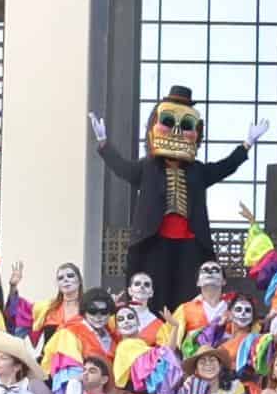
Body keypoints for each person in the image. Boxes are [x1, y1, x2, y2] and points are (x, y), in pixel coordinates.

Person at [93, 87, 263, 313]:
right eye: (168, 123)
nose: (176, 132)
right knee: (155, 292)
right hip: (155, 241)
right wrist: (104, 143)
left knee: (189, 294)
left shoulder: (197, 171)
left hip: (190, 243)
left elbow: (225, 167)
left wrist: (246, 145)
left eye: (185, 127)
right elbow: (122, 167)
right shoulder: (147, 168)